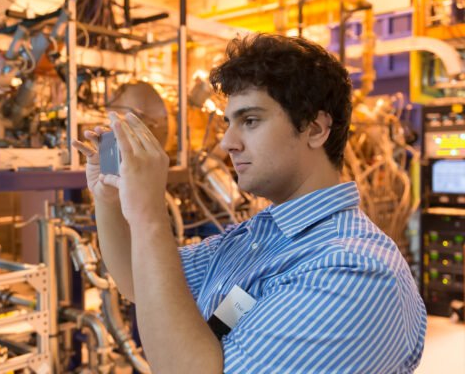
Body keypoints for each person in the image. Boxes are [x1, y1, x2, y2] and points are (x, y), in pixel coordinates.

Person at [72, 33, 427, 373]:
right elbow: (141, 282)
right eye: (229, 123)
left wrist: (149, 215)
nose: (227, 142)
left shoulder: (353, 270)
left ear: (316, 129)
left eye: (250, 121)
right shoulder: (257, 238)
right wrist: (108, 197)